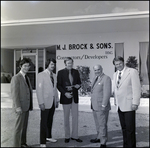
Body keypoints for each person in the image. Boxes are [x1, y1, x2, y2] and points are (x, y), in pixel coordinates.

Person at [112, 56, 141, 147]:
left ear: (123, 62)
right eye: (116, 64)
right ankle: (126, 145)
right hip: (120, 105)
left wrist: (135, 102)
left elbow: (136, 88)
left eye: (120, 63)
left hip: (129, 104)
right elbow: (116, 89)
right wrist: (115, 101)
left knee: (130, 129)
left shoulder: (132, 71)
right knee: (124, 128)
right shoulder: (115, 74)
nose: (118, 65)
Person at [57, 57, 83, 143]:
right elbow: (59, 85)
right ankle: (67, 136)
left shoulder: (76, 72)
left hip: (74, 98)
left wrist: (78, 86)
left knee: (75, 117)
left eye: (71, 63)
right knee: (66, 118)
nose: (70, 64)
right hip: (66, 97)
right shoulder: (60, 73)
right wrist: (65, 93)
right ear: (65, 64)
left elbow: (79, 82)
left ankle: (75, 136)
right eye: (68, 63)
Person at [36, 58, 59, 148]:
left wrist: (57, 100)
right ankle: (42, 141)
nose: (53, 66)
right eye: (51, 64)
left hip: (52, 102)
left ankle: (48, 137)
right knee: (44, 122)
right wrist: (41, 102)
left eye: (54, 64)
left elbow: (55, 89)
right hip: (45, 102)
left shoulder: (54, 75)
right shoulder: (41, 75)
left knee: (50, 120)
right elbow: (39, 90)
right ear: (47, 64)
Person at [10, 58, 33, 147]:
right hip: (20, 107)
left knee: (24, 127)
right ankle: (16, 145)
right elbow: (14, 94)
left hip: (26, 106)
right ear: (20, 66)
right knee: (18, 128)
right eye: (25, 66)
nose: (27, 68)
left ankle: (22, 143)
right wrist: (17, 107)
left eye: (28, 66)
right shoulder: (16, 78)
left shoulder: (26, 77)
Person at [90, 65, 111, 148]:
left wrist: (104, 105)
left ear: (102, 69)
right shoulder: (95, 78)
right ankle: (99, 137)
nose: (97, 71)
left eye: (98, 69)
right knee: (97, 123)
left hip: (101, 106)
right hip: (94, 105)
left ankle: (103, 142)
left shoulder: (106, 78)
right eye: (95, 70)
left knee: (102, 124)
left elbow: (107, 93)